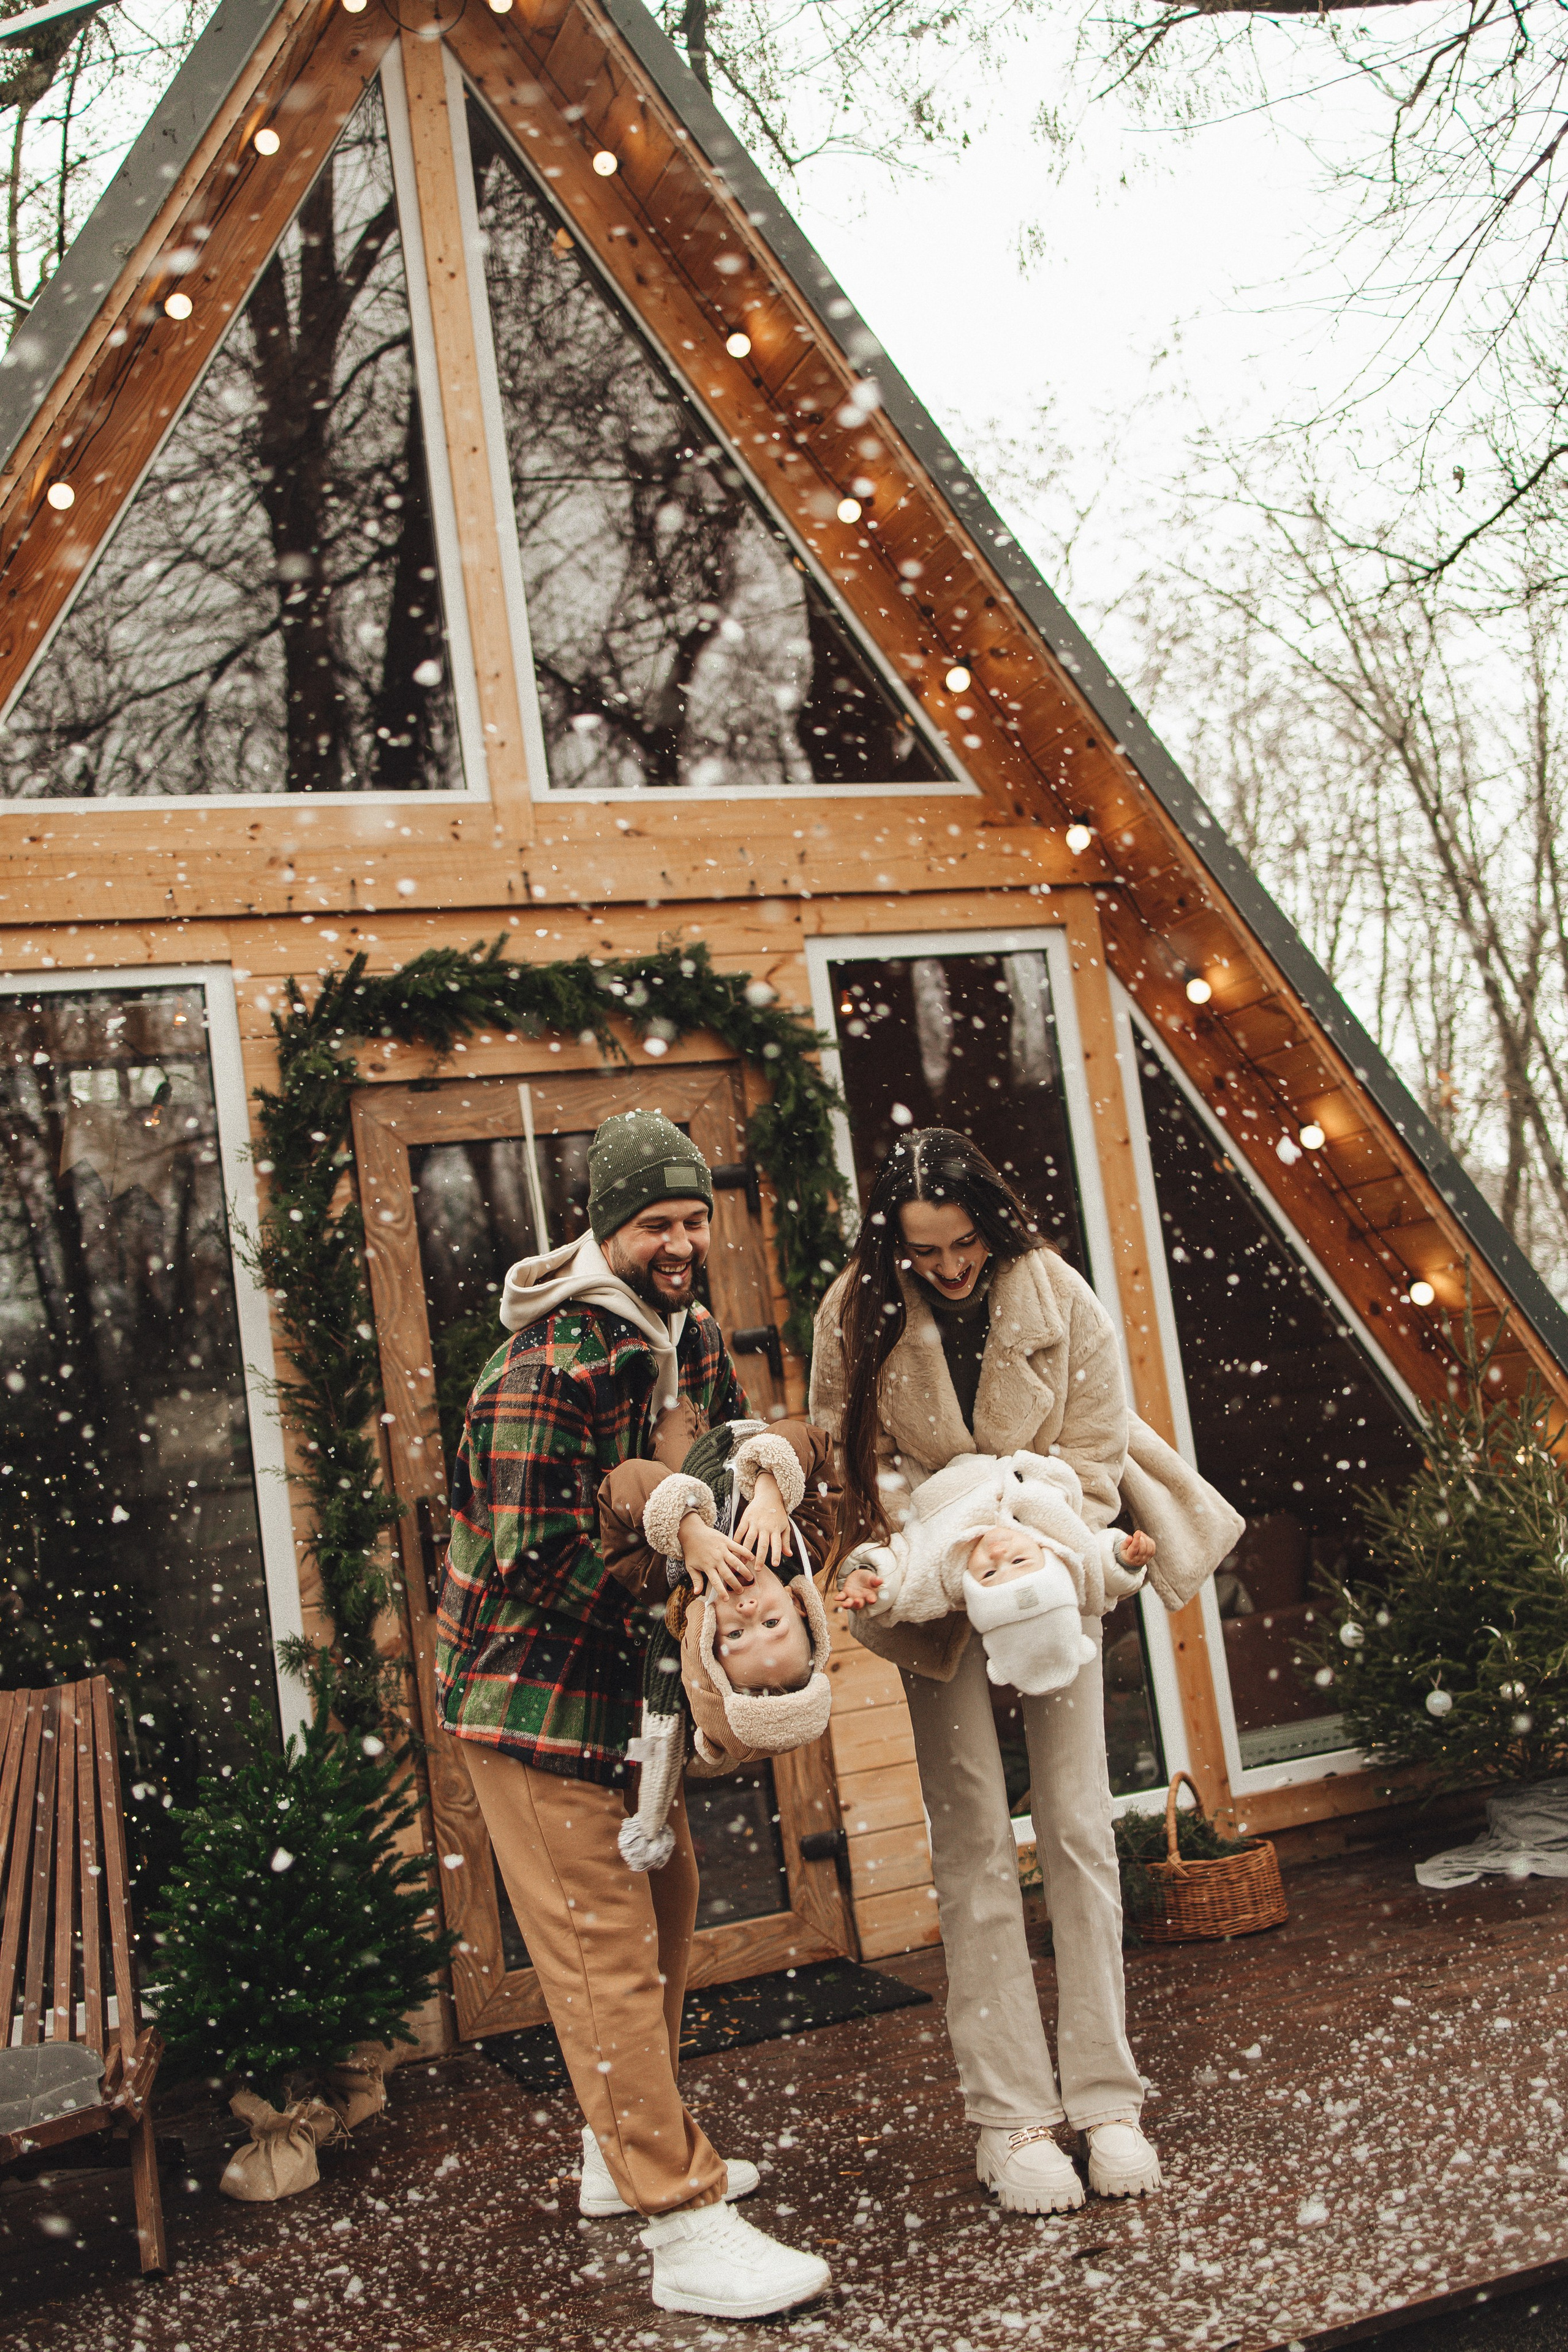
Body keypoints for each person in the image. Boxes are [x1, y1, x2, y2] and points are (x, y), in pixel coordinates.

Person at [434, 1108, 831, 2320]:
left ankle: (621, 2155)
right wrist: (677, 1591)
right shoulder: (539, 1368)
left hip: (625, 1699)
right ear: (608, 1225)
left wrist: (760, 1486)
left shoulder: (691, 1334)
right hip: (529, 1696)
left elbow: (718, 1448)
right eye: (658, 1220)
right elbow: (529, 1558)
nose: (683, 1238)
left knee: (662, 1911)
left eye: (693, 1216)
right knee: (602, 1949)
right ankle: (684, 2223)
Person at [812, 1127, 1199, 2217]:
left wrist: (1016, 1528)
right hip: (931, 1584)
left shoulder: (1060, 1297)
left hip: (1047, 1570)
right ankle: (1010, 2119)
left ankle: (1107, 2100)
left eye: (963, 1243)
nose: (946, 1268)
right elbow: (854, 1463)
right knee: (974, 1838)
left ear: (994, 1217)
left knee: (1078, 1826)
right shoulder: (853, 1311)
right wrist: (947, 1543)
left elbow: (1092, 1457)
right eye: (924, 1249)